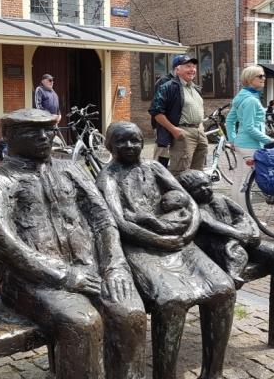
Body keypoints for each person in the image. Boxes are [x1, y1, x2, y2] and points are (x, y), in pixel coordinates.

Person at [0, 109, 146, 379]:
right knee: (82, 323)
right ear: (8, 136)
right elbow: (2, 240)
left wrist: (115, 264)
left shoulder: (71, 168)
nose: (45, 137)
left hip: (92, 268)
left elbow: (102, 218)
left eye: (49, 129)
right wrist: (65, 275)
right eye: (33, 132)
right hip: (30, 280)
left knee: (130, 314)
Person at [97, 122, 236, 379]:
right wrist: (160, 240)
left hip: (178, 241)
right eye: (122, 142)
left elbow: (190, 202)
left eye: (135, 140)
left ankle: (212, 372)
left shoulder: (155, 167)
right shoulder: (108, 177)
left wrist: (187, 232)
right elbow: (120, 222)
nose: (129, 146)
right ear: (110, 146)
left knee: (224, 289)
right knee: (170, 300)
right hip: (141, 248)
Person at [178, 169, 274, 291]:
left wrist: (251, 231)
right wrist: (238, 234)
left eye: (206, 184)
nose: (204, 189)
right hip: (216, 243)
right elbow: (212, 224)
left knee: (273, 251)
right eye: (197, 188)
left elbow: (242, 215)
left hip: (240, 237)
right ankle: (233, 278)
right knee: (235, 254)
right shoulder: (194, 208)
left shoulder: (221, 198)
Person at [149, 54, 208, 176]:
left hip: (199, 132)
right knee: (181, 173)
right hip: (183, 133)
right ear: (177, 69)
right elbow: (156, 111)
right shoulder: (168, 87)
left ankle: (194, 195)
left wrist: (201, 127)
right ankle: (178, 195)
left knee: (198, 173)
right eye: (188, 66)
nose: (192, 69)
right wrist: (174, 130)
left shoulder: (195, 88)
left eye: (194, 67)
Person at [225, 66, 272, 205]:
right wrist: (270, 140)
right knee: (246, 183)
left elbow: (229, 120)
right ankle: (248, 218)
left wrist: (233, 140)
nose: (264, 78)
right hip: (250, 145)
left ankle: (238, 215)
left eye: (264, 76)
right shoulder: (251, 100)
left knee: (239, 179)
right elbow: (249, 127)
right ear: (250, 79)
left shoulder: (241, 97)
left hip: (241, 144)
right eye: (260, 76)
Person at [149, 68, 177, 168]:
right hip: (163, 124)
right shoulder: (163, 82)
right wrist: (156, 125)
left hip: (176, 124)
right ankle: (157, 175)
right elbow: (156, 106)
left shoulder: (182, 82)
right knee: (162, 151)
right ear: (177, 68)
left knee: (170, 152)